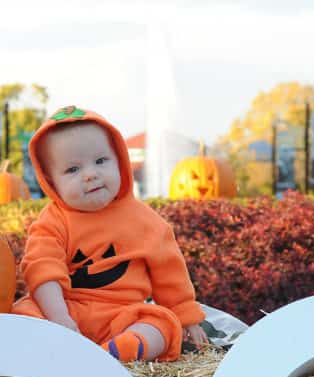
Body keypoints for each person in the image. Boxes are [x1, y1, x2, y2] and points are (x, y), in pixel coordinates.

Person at [12, 106, 208, 362]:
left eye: (101, 161)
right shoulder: (53, 221)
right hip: (66, 311)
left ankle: (117, 353)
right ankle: (55, 353)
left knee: (160, 324)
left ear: (119, 160)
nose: (91, 174)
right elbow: (42, 269)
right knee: (22, 312)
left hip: (122, 315)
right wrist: (60, 320)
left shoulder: (145, 222)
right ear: (51, 181)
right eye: (73, 170)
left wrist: (186, 318)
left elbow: (169, 275)